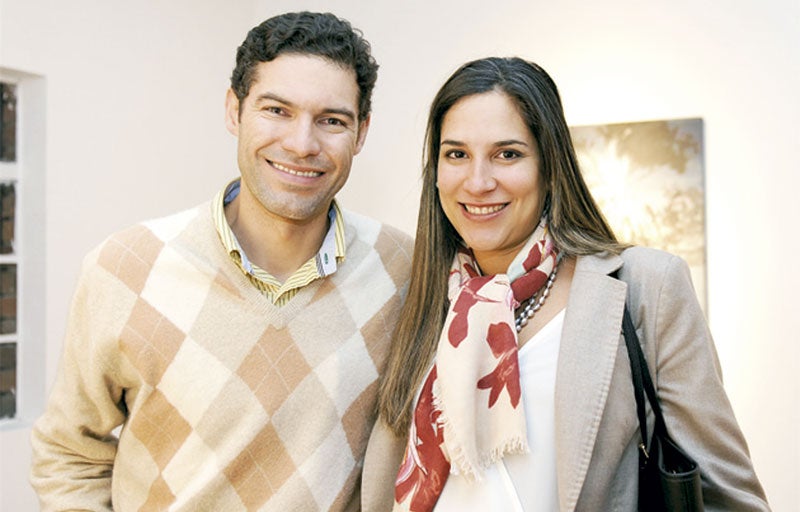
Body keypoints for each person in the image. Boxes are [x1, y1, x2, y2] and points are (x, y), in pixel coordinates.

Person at [30, 11, 413, 511]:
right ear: (235, 110)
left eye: (332, 120)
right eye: (276, 110)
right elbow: (68, 455)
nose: (302, 144)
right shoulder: (124, 267)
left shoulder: (405, 270)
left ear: (361, 133)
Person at [361, 57, 769, 511]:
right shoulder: (416, 297)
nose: (478, 182)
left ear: (550, 166)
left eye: (507, 154)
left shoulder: (645, 286)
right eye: (457, 154)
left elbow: (730, 498)